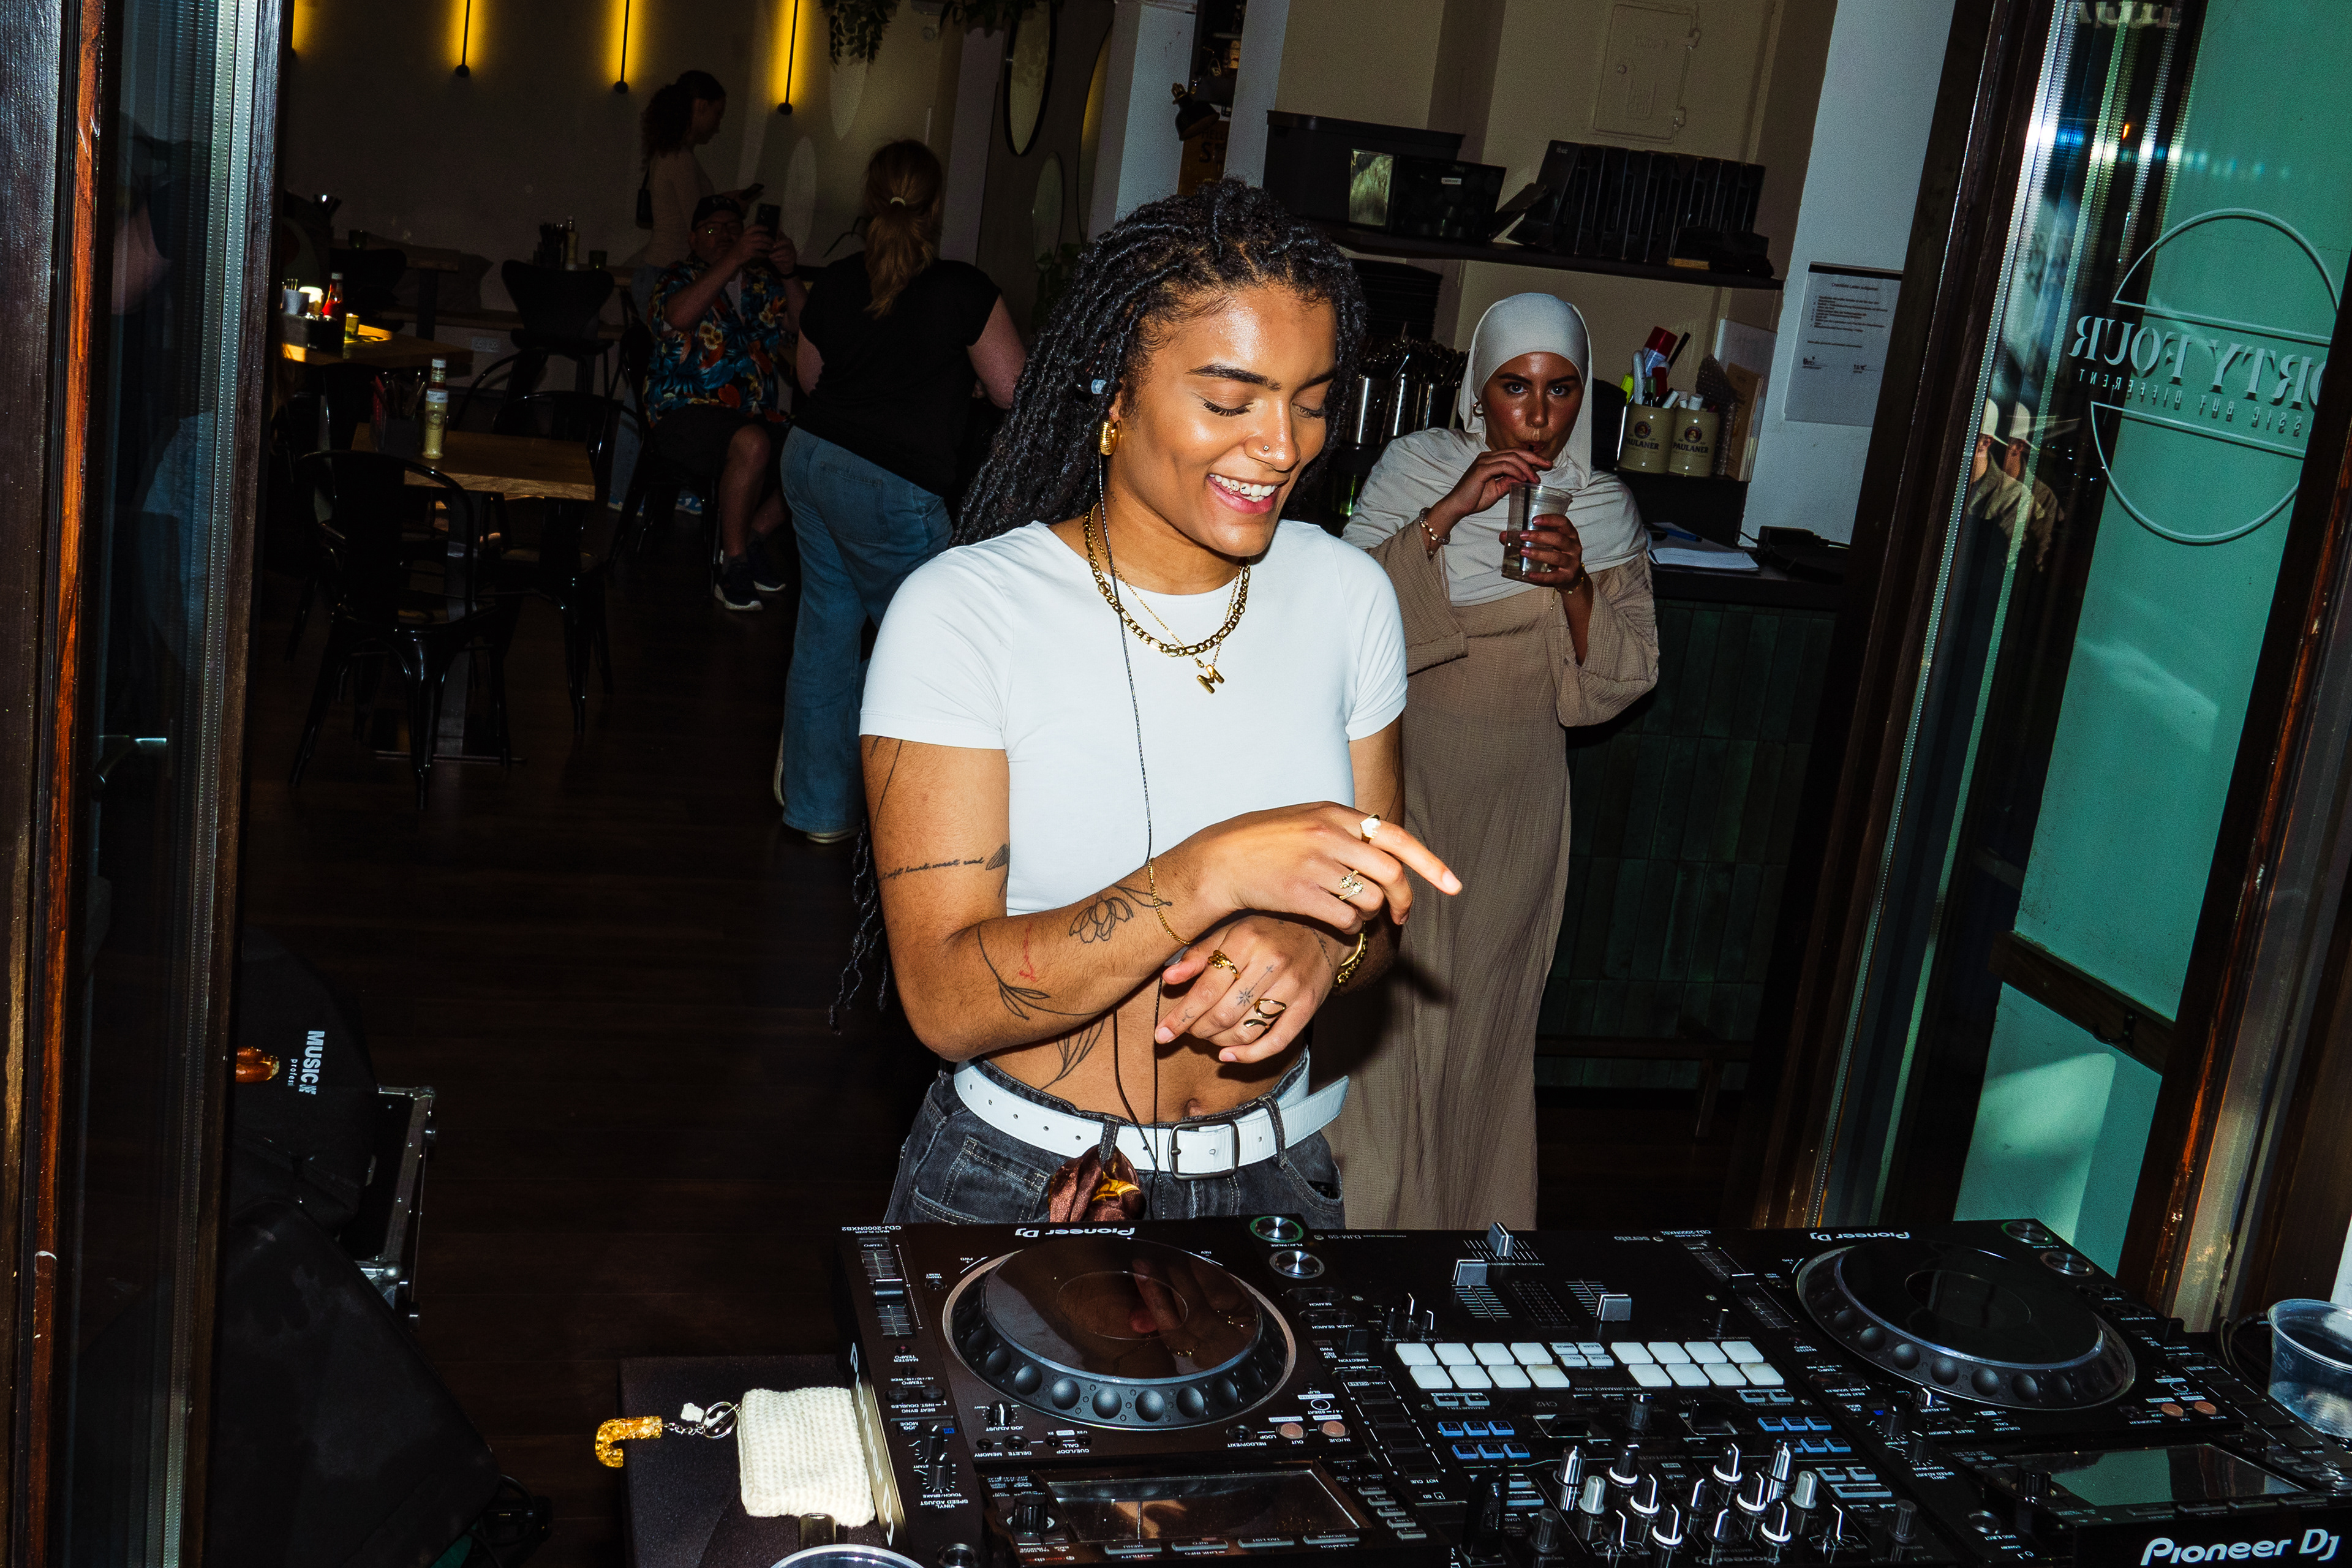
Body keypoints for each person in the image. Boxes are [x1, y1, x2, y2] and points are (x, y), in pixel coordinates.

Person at [854, 181, 1462, 1224]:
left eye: (1311, 400)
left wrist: (1322, 949)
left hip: (1275, 1177)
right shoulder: (965, 613)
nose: (1283, 446)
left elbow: (1378, 922)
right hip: (1025, 1180)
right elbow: (945, 1004)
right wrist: (1211, 872)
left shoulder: (1347, 594)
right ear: (1115, 393)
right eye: (1230, 402)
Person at [1323, 291, 1659, 1231]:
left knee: (1479, 1034)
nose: (1539, 414)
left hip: (1517, 811)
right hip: (1402, 787)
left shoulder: (1601, 509)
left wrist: (1577, 584)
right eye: (1516, 387)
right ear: (1480, 389)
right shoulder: (1414, 470)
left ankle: (1455, 1237)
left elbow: (1624, 677)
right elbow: (1339, 624)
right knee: (1386, 1027)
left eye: (1561, 390)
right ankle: (1364, 1235)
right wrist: (1448, 514)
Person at [776, 140, 1023, 842]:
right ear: (935, 206)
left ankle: (818, 810)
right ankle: (924, 829)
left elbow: (811, 379)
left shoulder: (837, 280)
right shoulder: (964, 290)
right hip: (889, 487)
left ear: (870, 199)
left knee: (826, 632)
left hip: (812, 461)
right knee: (930, 649)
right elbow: (1013, 390)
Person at [646, 194, 804, 609]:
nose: (725, 236)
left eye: (735, 229)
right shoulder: (677, 277)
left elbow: (806, 328)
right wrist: (733, 259)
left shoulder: (761, 285)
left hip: (752, 413)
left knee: (817, 449)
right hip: (685, 414)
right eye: (713, 229)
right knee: (753, 442)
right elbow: (679, 317)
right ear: (693, 239)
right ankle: (732, 563)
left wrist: (789, 273)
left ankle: (752, 536)